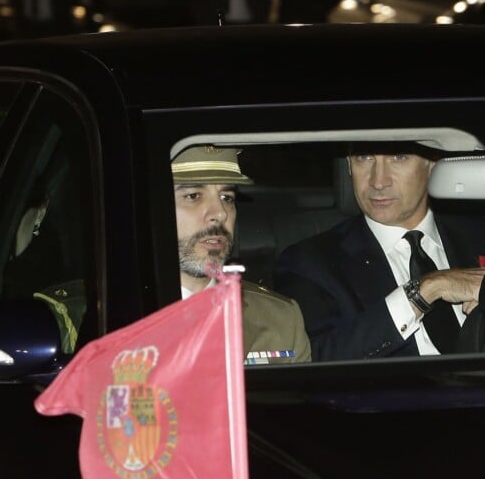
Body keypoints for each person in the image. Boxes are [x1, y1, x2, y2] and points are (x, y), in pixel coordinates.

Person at [274, 144, 485, 361]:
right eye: (364, 157)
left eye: (399, 157)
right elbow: (315, 359)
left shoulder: (478, 236)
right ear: (348, 164)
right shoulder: (310, 262)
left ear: (432, 162)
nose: (378, 181)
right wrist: (425, 290)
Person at [172, 145, 311, 364]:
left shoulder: (280, 319)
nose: (220, 212)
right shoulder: (111, 316)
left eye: (226, 197)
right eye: (193, 196)